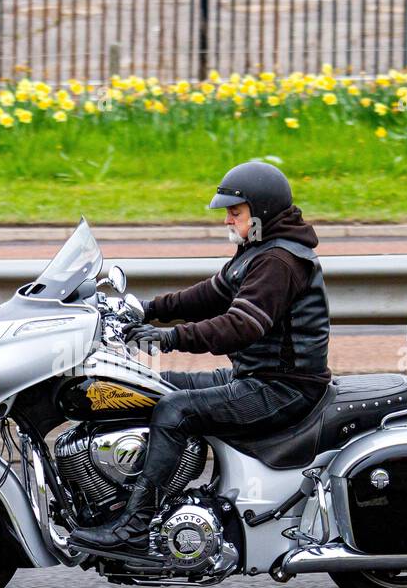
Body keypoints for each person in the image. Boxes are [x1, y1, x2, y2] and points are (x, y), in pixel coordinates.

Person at [70, 161, 333, 559]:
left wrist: (170, 337)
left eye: (235, 212)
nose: (227, 219)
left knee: (176, 410)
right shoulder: (258, 252)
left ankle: (135, 527)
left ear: (260, 213)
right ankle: (126, 501)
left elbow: (240, 326)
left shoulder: (278, 262)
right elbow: (209, 294)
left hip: (282, 389)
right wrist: (144, 309)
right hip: (257, 376)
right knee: (149, 386)